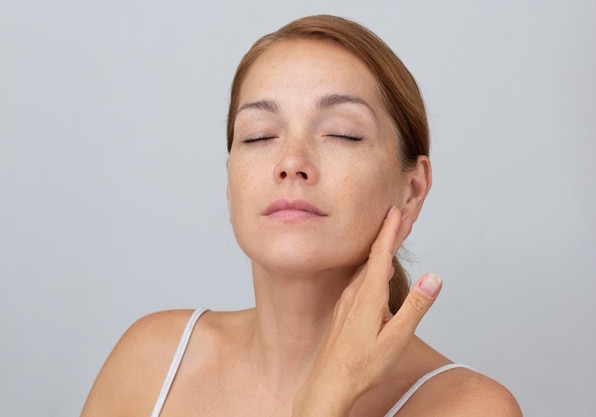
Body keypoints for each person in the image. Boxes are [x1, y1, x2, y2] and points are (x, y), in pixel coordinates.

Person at [80, 15, 522, 417]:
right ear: (230, 182)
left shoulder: (468, 407)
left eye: (342, 134)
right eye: (258, 136)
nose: (291, 161)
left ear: (412, 190)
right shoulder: (153, 361)